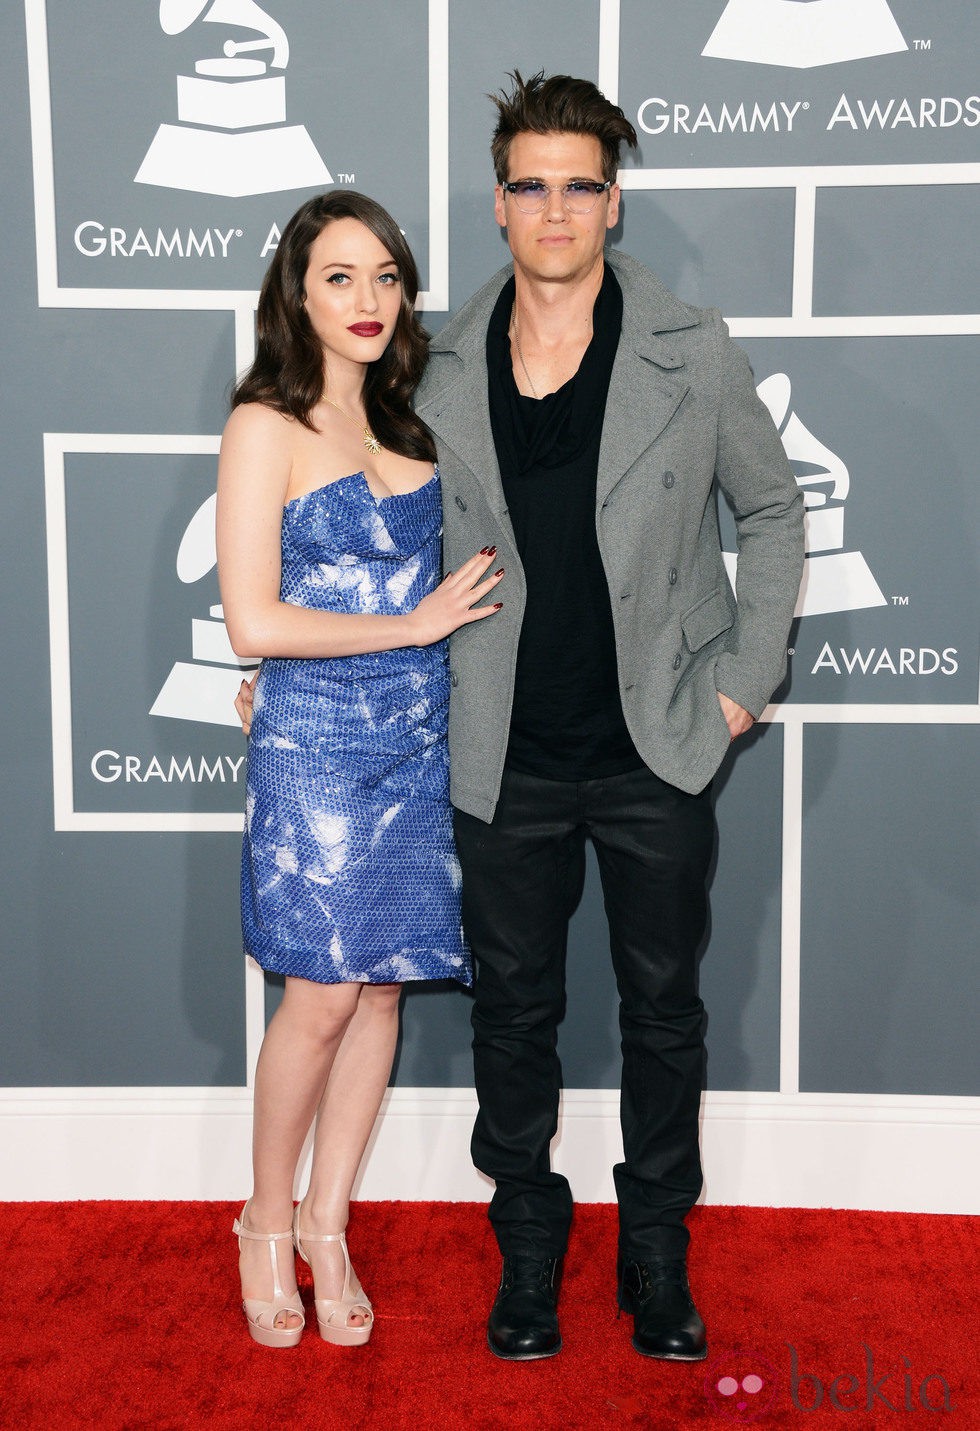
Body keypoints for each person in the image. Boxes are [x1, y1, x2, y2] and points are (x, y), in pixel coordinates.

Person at [411, 72, 805, 1362]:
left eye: (580, 184)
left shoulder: (691, 352)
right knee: (513, 1013)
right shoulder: (434, 360)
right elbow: (365, 530)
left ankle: (654, 1253)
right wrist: (297, 657)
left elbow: (772, 510)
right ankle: (528, 1246)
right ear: (499, 203)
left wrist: (746, 675)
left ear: (613, 201)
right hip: (500, 746)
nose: (556, 208)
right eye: (531, 184)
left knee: (661, 1012)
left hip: (656, 744)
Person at [216, 191, 502, 1349]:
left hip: (416, 742)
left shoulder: (417, 427)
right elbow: (252, 622)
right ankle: (262, 1223)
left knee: (381, 987)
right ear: (295, 292)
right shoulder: (262, 426)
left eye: (385, 275)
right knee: (322, 993)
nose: (368, 300)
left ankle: (331, 1223)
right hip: (316, 745)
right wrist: (412, 625)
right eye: (338, 277)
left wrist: (427, 642)